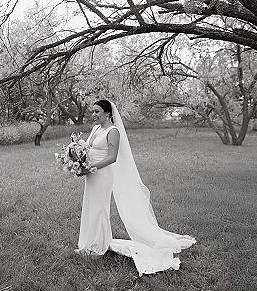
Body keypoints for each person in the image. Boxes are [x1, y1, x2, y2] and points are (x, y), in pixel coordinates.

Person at [76, 100, 196, 275]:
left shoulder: (113, 131)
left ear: (108, 113)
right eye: (92, 111)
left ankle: (98, 247)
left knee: (99, 209)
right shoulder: (95, 129)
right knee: (89, 208)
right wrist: (77, 160)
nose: (93, 115)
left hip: (101, 175)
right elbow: (88, 150)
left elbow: (112, 158)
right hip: (91, 175)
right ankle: (87, 243)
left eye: (97, 111)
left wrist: (91, 168)